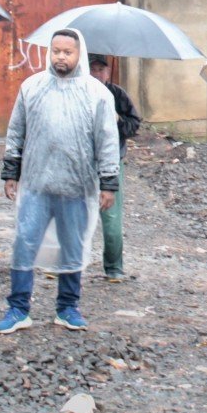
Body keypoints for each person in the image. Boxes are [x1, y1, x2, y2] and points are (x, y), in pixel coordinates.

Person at [0, 28, 118, 334]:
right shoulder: (32, 87)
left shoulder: (97, 94)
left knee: (72, 245)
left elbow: (107, 140)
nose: (61, 57)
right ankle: (18, 308)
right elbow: (16, 130)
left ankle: (67, 307)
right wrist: (11, 171)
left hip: (77, 187)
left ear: (79, 54)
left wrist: (108, 182)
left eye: (68, 52)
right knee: (24, 242)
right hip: (36, 185)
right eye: (56, 51)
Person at [89, 54, 142, 284]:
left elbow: (134, 125)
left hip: (111, 162)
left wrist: (118, 121)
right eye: (92, 69)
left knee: (111, 217)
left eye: (101, 69)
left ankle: (113, 267)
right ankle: (65, 264)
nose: (97, 74)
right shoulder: (78, 93)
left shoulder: (117, 95)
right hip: (82, 162)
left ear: (108, 73)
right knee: (74, 215)